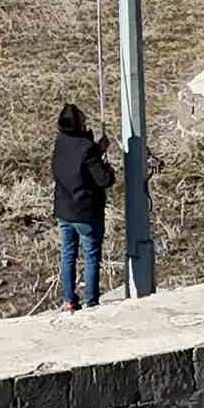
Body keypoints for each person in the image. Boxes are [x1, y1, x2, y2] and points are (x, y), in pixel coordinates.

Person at [52, 104, 116, 313]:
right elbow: (104, 180)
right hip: (86, 213)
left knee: (68, 255)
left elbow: (75, 164)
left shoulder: (60, 143)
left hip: (64, 210)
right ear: (79, 123)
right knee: (91, 255)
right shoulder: (86, 147)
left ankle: (70, 300)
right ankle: (91, 302)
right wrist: (106, 166)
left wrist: (97, 150)